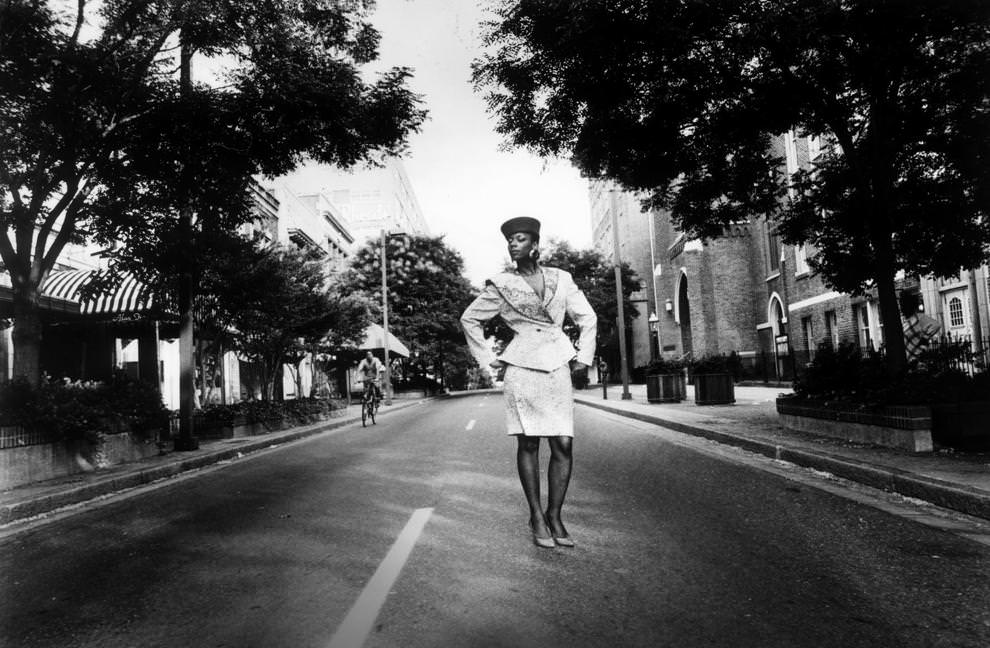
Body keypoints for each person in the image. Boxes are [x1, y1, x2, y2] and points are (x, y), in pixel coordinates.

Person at [460, 216, 597, 549]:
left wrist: (584, 356)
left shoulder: (561, 278)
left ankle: (556, 515)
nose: (513, 244)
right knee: (530, 443)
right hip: (522, 366)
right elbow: (470, 319)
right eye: (510, 240)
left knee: (563, 443)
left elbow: (587, 316)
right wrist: (486, 358)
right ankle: (536, 516)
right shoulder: (501, 284)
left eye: (519, 239)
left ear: (535, 244)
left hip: (557, 366)